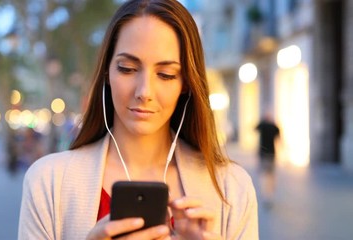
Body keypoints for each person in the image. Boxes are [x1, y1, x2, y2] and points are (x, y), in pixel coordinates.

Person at [18, 0, 258, 239]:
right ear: (107, 72)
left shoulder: (232, 188)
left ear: (186, 83)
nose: (144, 92)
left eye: (166, 74)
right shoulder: (48, 181)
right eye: (127, 68)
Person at [255, 111, 280, 208]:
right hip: (271, 154)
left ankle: (266, 194)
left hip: (264, 154)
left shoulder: (263, 125)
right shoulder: (274, 126)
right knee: (270, 175)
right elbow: (279, 138)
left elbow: (255, 128)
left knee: (265, 175)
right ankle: (269, 195)